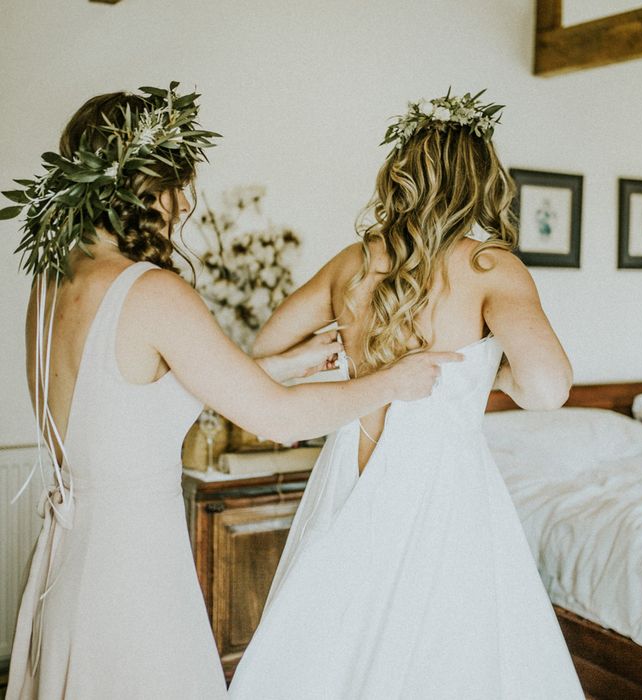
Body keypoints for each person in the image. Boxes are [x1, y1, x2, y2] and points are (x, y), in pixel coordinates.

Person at [2, 85, 459, 700]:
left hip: (68, 564)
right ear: (141, 186)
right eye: (177, 185)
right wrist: (393, 382)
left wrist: (294, 359)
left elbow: (145, 398)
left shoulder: (52, 283)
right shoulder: (154, 291)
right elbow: (274, 418)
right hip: (136, 578)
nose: (186, 202)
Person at [229, 90, 585, 699]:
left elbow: (265, 351)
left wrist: (338, 356)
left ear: (403, 176)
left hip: (349, 469)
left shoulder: (354, 261)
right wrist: (487, 373)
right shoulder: (490, 267)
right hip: (441, 485)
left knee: (336, 636)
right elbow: (549, 390)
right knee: (441, 650)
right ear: (479, 183)